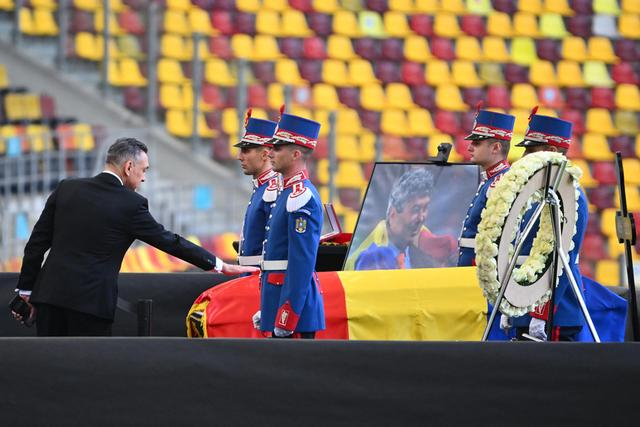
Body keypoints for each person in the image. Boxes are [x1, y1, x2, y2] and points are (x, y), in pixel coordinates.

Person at [13, 138, 257, 336]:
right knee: (88, 374)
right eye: (143, 170)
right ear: (129, 167)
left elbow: (36, 244)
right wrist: (219, 265)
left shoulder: (67, 188)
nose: (144, 178)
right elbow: (169, 241)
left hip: (49, 299)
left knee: (49, 371)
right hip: (90, 306)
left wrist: (26, 291)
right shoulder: (131, 204)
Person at [508, 112, 588, 341]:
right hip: (525, 306)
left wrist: (541, 313)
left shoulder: (570, 196)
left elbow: (562, 258)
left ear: (552, 152)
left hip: (555, 312)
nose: (524, 157)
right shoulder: (539, 192)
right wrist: (510, 304)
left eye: (530, 151)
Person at [255, 113, 325, 339]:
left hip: (295, 313)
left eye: (277, 148)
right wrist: (268, 308)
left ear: (296, 154)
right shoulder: (286, 192)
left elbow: (300, 262)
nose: (270, 153)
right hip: (277, 300)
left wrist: (288, 313)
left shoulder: (301, 197)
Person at [345, 168, 456, 271]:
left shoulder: (426, 249)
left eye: (425, 208)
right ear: (393, 213)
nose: (421, 217)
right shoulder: (369, 258)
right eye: (416, 209)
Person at [457, 109, 515, 267]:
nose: (469, 148)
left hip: (481, 269)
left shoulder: (503, 183)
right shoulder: (491, 179)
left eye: (476, 143)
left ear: (495, 148)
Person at [234, 110, 279, 268]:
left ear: (265, 154)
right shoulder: (261, 187)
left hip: (259, 274)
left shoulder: (273, 190)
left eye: (246, 151)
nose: (239, 156)